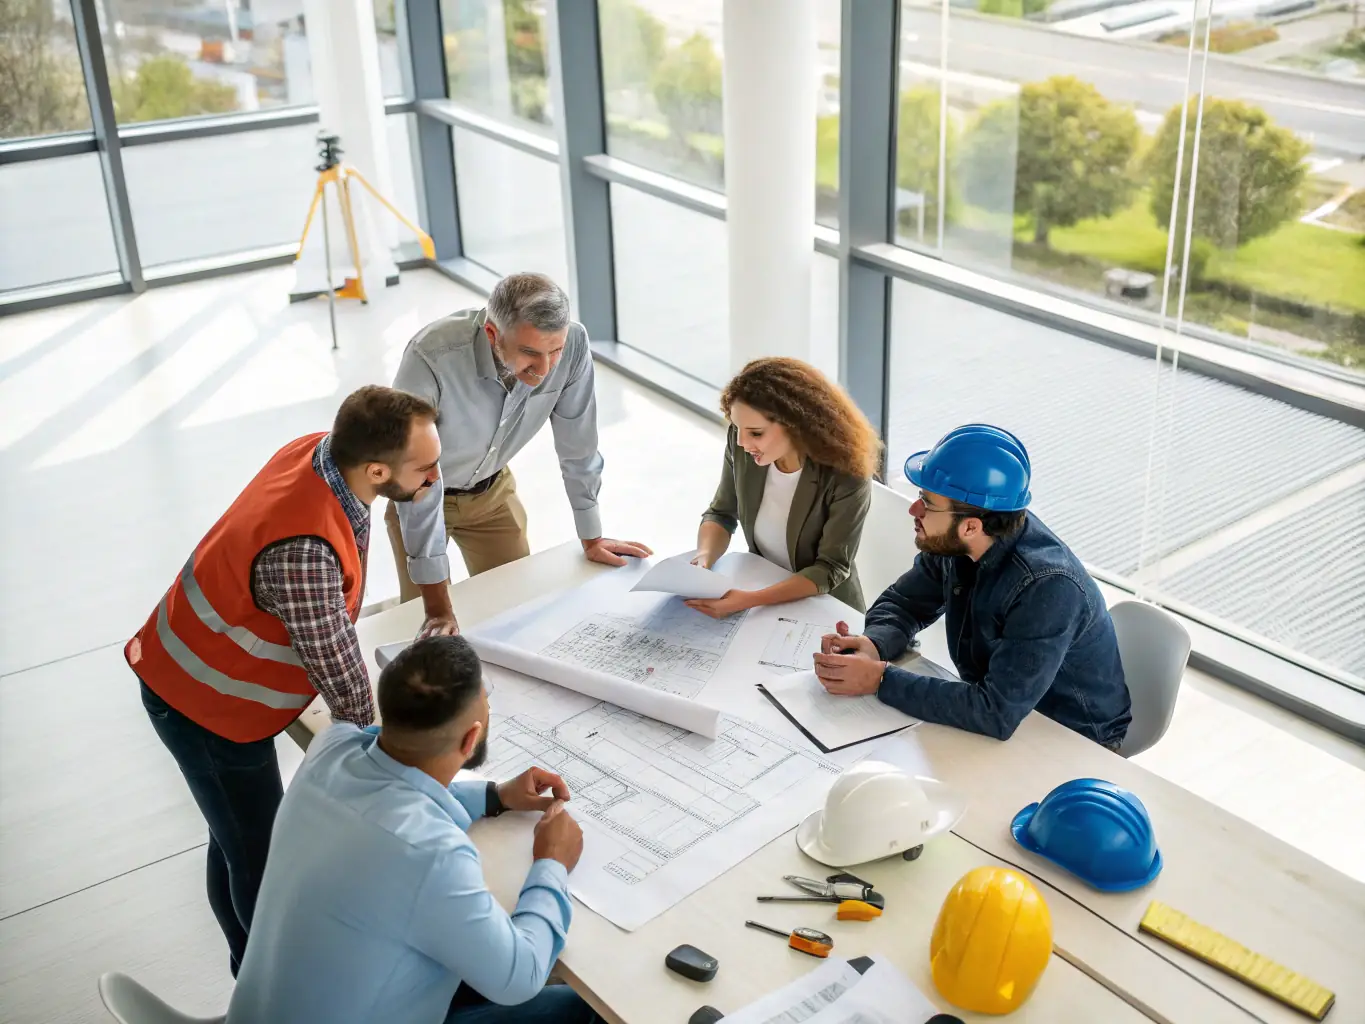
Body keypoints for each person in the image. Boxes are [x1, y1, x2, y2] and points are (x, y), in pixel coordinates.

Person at [126, 386, 444, 976]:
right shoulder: (303, 548)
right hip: (206, 705)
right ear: (376, 469)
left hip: (205, 675)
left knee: (234, 839)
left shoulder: (320, 453)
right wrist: (402, 763)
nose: (434, 478)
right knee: (259, 858)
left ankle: (247, 974)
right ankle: (274, 991)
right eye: (424, 469)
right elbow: (343, 679)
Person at [227, 636, 600, 1024]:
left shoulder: (331, 748)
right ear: (471, 738)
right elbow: (519, 977)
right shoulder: (430, 854)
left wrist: (495, 796)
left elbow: (393, 786)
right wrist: (552, 862)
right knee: (576, 1009)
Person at [812, 424, 1131, 748]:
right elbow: (904, 602)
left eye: (926, 501)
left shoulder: (1048, 588)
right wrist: (874, 644)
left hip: (1074, 741)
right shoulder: (962, 543)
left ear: (971, 526)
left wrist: (880, 679)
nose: (914, 509)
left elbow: (995, 713)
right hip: (1004, 713)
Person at [387, 272, 651, 638]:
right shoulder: (430, 357)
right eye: (530, 354)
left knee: (518, 614)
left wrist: (592, 537)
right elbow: (412, 473)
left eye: (553, 352)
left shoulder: (573, 343)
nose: (544, 371)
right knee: (421, 623)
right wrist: (436, 608)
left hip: (494, 492)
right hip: (423, 491)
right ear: (493, 335)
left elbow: (579, 445)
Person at [685, 357, 879, 618]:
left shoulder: (846, 475)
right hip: (760, 585)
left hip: (824, 605)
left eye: (755, 433)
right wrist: (704, 558)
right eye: (736, 428)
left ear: (796, 426)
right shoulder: (744, 445)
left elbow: (830, 567)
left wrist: (750, 600)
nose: (742, 442)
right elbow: (721, 513)